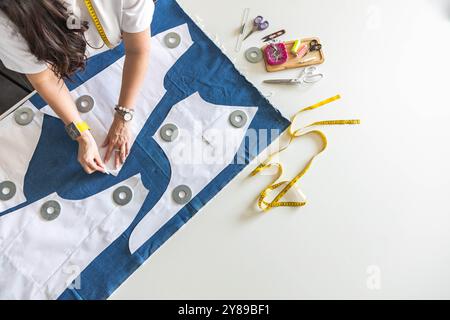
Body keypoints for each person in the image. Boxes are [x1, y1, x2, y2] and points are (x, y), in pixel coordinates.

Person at [0, 0, 154, 174]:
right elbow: (44, 79)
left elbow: (137, 50)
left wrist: (124, 115)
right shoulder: (5, 22)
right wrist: (81, 135)